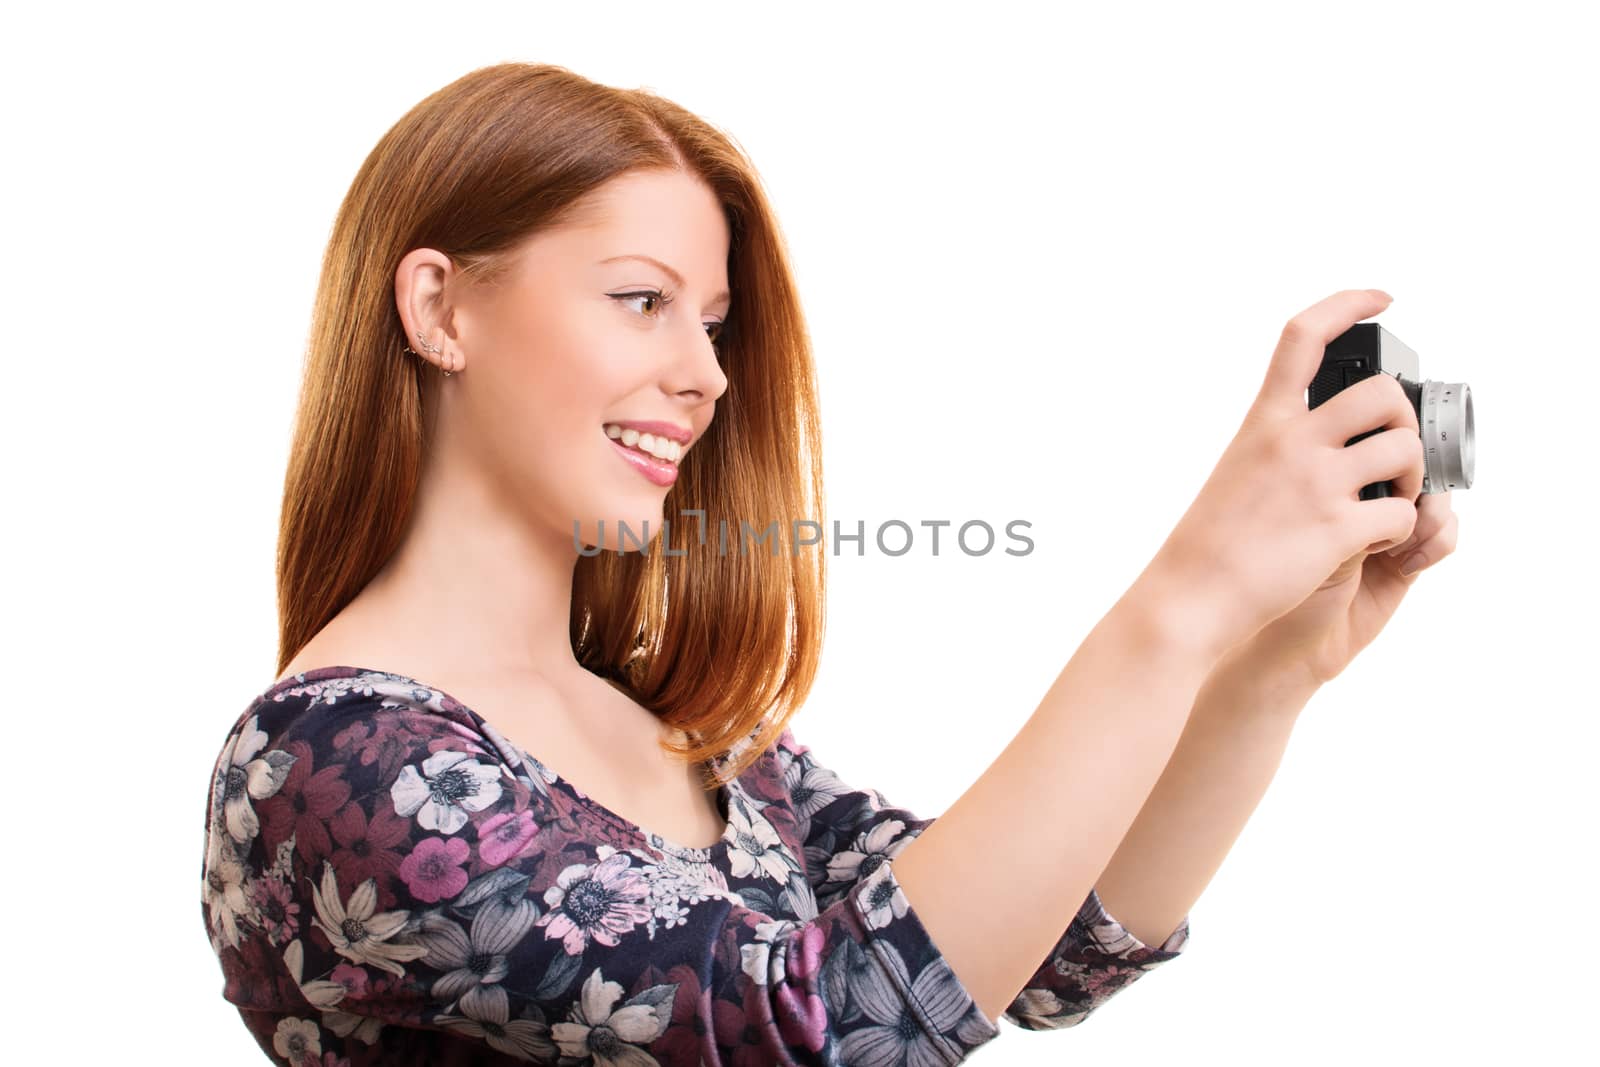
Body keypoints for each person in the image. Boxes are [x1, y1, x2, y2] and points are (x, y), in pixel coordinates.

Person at [201, 61, 1456, 1066]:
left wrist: (1270, 666)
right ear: (439, 309)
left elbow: (1033, 952)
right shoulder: (334, 763)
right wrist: (1184, 601)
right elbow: (830, 1025)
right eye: (640, 298)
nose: (704, 373)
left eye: (712, 321)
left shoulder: (691, 733)